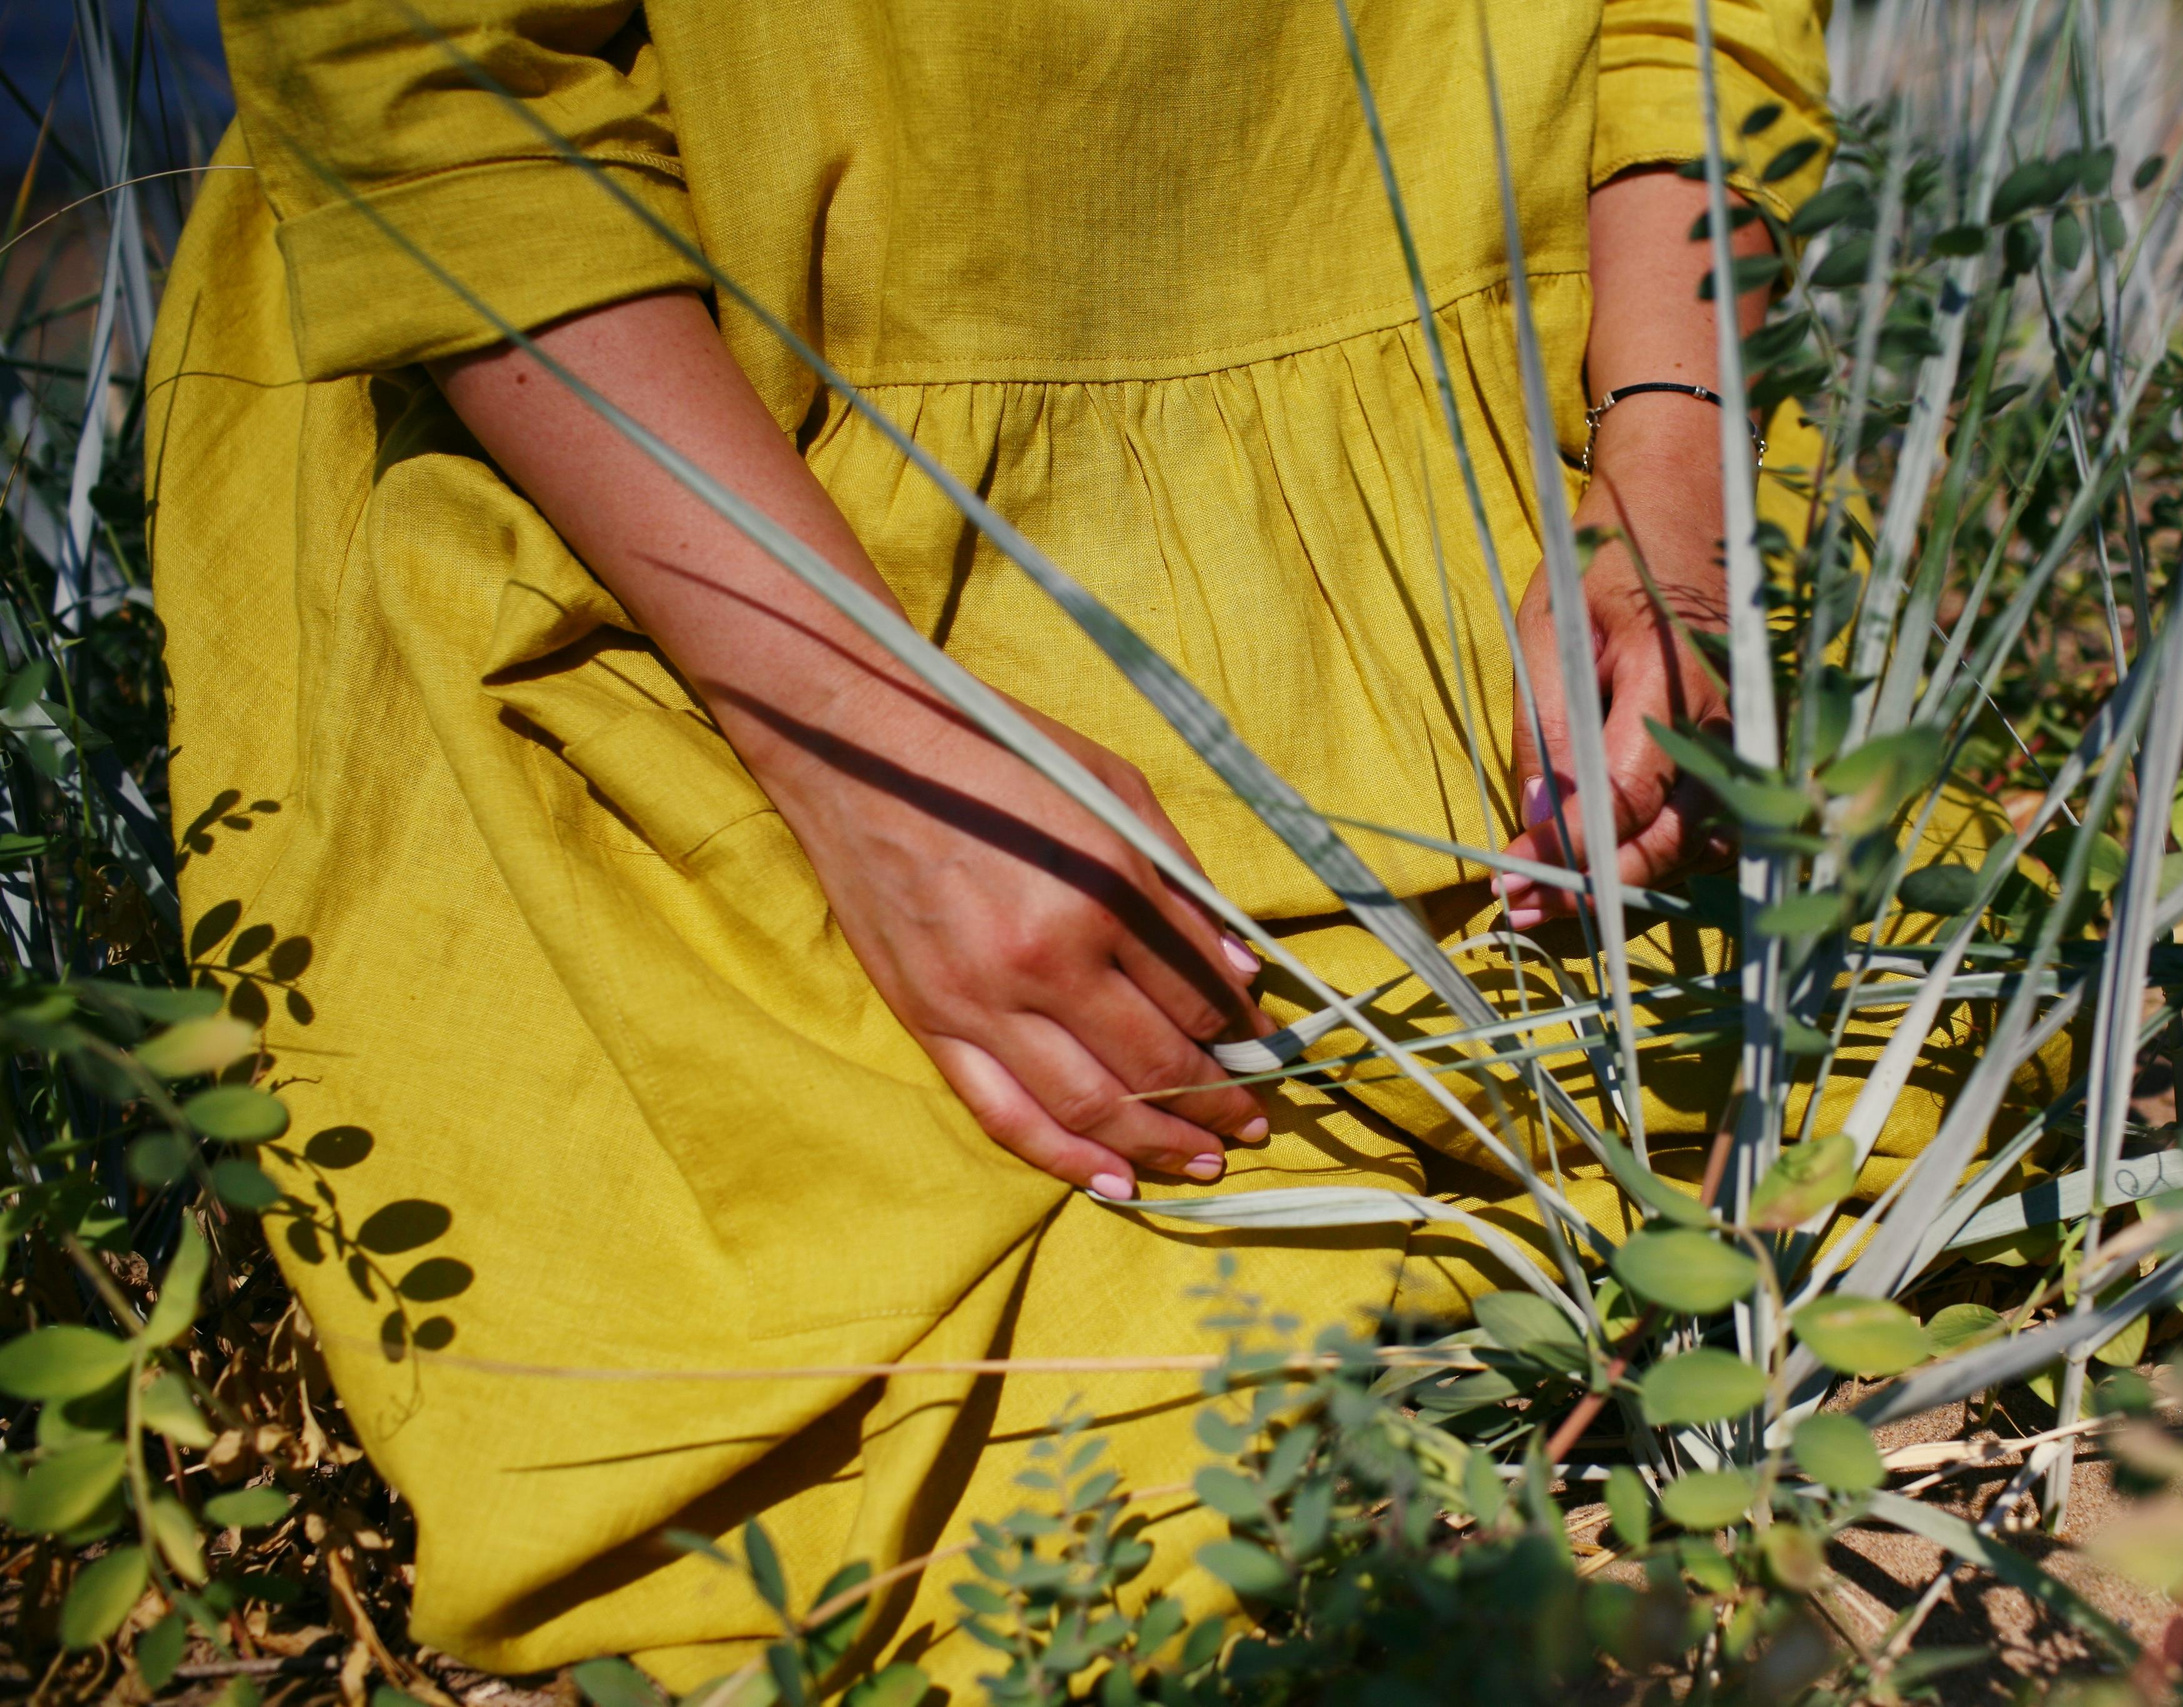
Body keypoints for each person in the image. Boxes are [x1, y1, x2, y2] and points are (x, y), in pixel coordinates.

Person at [149, 1, 1846, 1690]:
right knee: (951, 1493)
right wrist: (865, 755)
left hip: (1549, 408)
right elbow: (428, 76)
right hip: (680, 499)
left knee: (1864, 1159)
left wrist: (1673, 497)